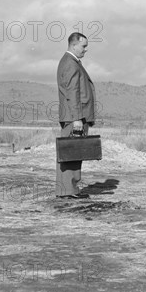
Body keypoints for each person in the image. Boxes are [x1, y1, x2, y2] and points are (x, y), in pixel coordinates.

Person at [56, 32, 96, 199]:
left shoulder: (71, 62)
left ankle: (69, 190)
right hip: (75, 117)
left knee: (73, 153)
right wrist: (76, 118)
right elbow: (72, 93)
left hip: (76, 116)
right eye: (83, 46)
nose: (85, 50)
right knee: (70, 154)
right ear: (73, 45)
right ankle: (67, 191)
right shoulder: (71, 63)